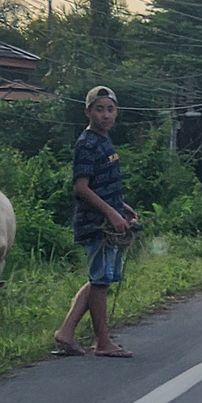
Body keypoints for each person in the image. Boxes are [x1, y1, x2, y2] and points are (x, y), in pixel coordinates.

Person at [53, 85, 138, 358]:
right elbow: (82, 187)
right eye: (99, 109)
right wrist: (111, 214)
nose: (105, 115)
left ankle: (66, 333)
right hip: (96, 224)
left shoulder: (104, 141)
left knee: (98, 280)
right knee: (99, 282)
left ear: (117, 113)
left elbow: (102, 185)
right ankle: (102, 342)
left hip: (109, 220)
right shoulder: (87, 143)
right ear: (88, 112)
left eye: (110, 109)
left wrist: (122, 208)